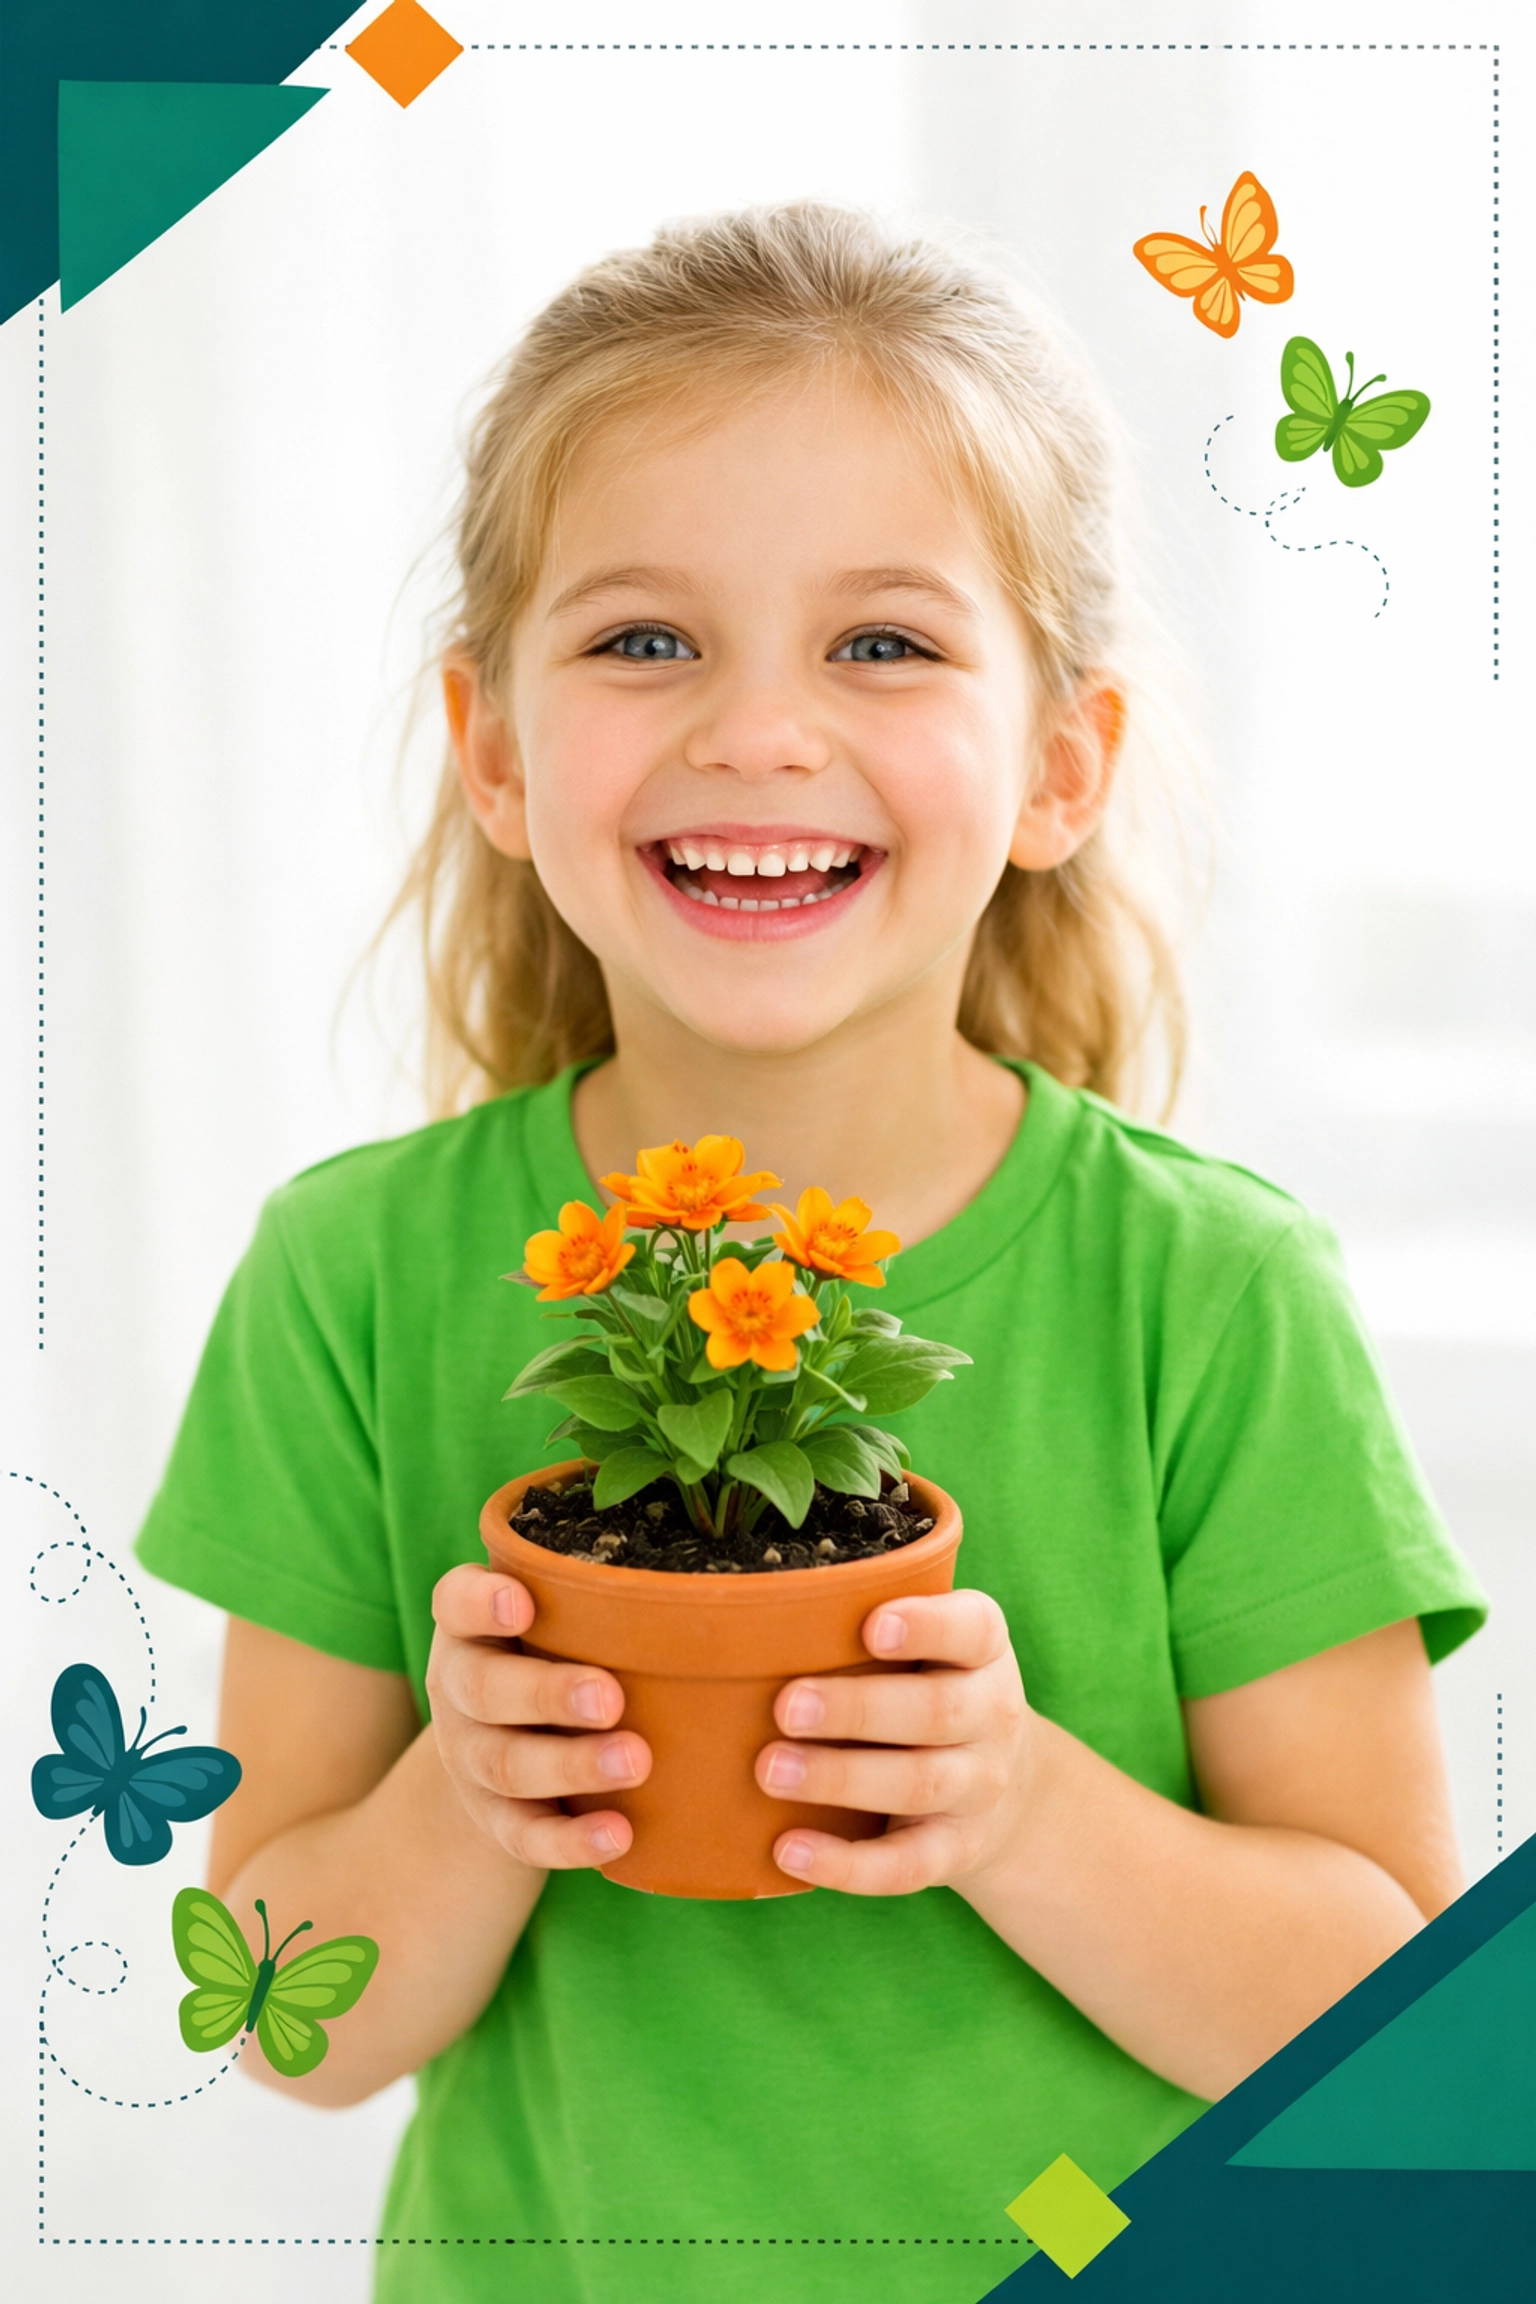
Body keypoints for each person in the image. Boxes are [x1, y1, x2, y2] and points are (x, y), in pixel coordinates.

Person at [135, 203, 1485, 2302]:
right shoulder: (353, 1276)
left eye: (883, 643)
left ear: (1061, 764)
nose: (759, 733)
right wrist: (461, 1806)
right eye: (646, 640)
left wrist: (1020, 1806)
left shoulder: (1206, 1293)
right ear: (494, 749)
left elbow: (1393, 2038)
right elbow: (276, 2017)